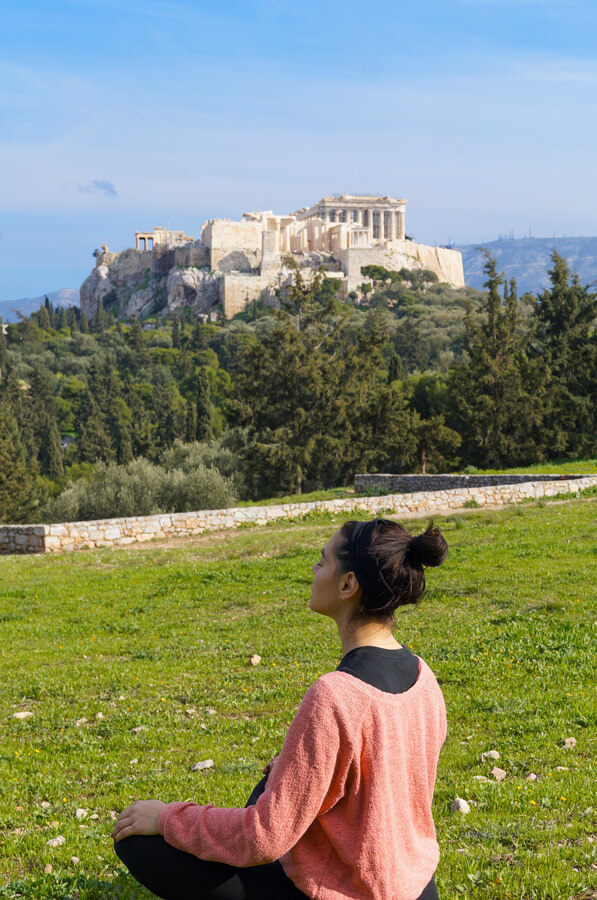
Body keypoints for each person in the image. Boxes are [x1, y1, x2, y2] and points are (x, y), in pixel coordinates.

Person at [113, 517, 449, 900]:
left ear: (347, 585)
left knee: (136, 843)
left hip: (352, 891)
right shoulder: (425, 677)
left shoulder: (336, 695)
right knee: (273, 779)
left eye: (322, 561)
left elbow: (263, 838)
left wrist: (167, 817)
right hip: (416, 885)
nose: (314, 569)